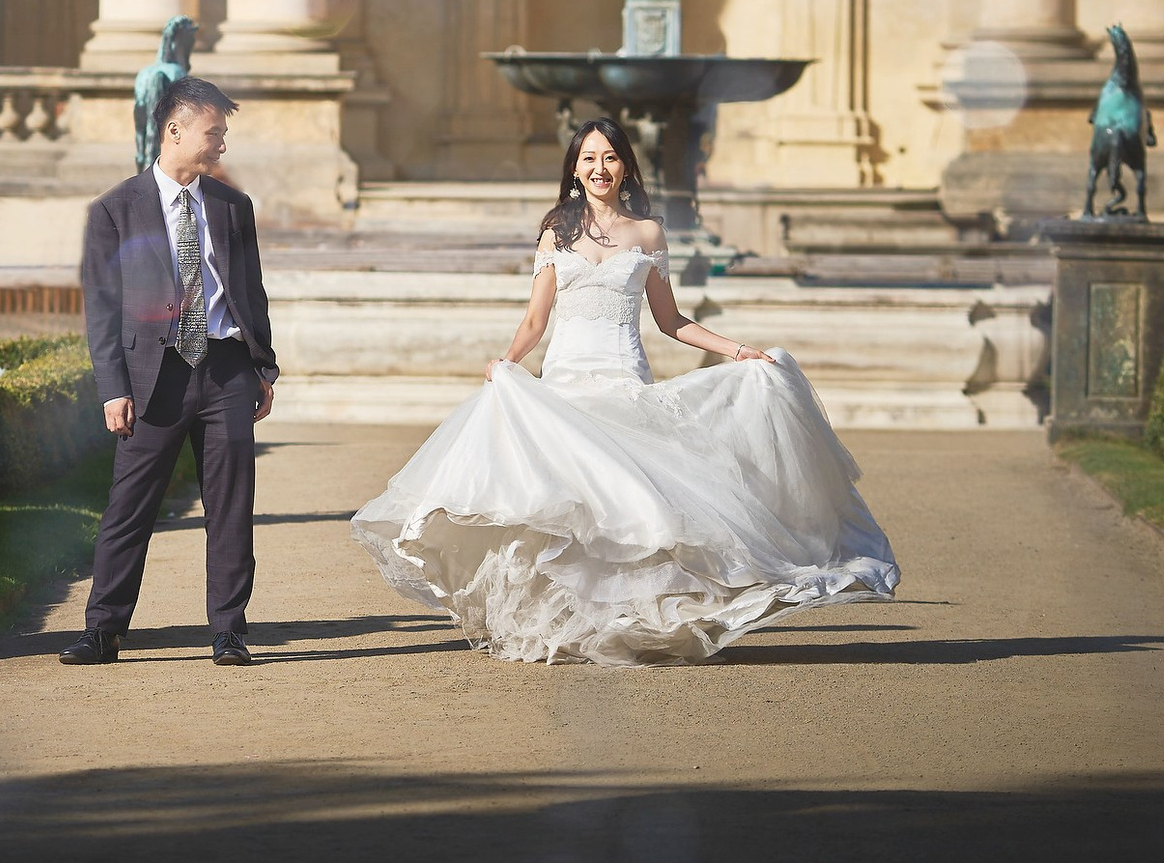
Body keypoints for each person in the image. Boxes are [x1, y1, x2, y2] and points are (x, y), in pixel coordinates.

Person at [352, 117, 898, 665]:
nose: (599, 168)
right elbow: (535, 320)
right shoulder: (556, 233)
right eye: (588, 158)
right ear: (574, 169)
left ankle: (633, 622)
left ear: (625, 166)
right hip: (565, 386)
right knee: (571, 510)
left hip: (624, 383)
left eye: (609, 157)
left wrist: (737, 351)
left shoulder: (648, 234)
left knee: (631, 508)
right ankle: (568, 625)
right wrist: (508, 362)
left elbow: (671, 320)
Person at [62, 76, 279, 669]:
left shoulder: (234, 207)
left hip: (227, 370)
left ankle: (229, 632)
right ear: (175, 130)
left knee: (232, 507)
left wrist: (264, 366)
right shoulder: (114, 209)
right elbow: (101, 307)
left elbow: (250, 292)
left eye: (224, 134)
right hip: (152, 378)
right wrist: (112, 389)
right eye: (215, 133)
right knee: (129, 506)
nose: (222, 145)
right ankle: (102, 631)